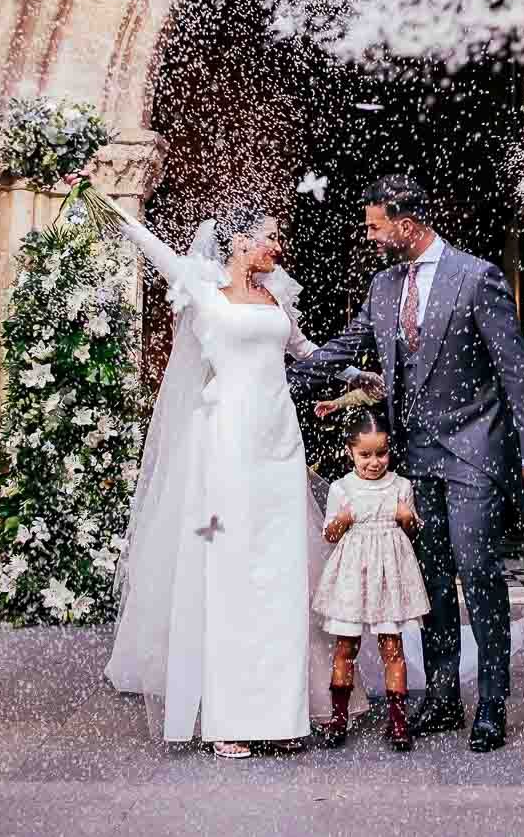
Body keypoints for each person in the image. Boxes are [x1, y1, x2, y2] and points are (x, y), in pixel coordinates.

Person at [291, 175, 524, 753]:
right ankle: (440, 694)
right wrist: (275, 374)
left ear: (405, 224)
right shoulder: (384, 286)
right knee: (431, 579)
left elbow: (515, 369)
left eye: (375, 225)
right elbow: (345, 346)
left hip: (474, 451)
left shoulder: (477, 277)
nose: (370, 236)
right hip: (415, 458)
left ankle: (490, 702)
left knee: (479, 571)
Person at [103, 199, 336, 757]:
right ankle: (228, 718)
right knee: (231, 573)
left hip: (279, 446)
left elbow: (308, 354)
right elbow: (148, 242)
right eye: (269, 237)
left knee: (280, 575)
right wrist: (96, 194)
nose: (276, 248)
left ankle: (281, 714)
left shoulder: (278, 298)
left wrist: (359, 375)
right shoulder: (203, 292)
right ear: (236, 242)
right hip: (227, 444)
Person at [313, 407, 428, 753]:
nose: (374, 462)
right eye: (365, 455)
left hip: (389, 576)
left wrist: (408, 517)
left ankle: (397, 720)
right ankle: (338, 717)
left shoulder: (401, 487)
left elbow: (413, 531)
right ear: (350, 452)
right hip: (352, 575)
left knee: (391, 647)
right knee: (345, 646)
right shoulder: (342, 488)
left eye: (381, 453)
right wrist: (344, 519)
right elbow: (329, 535)